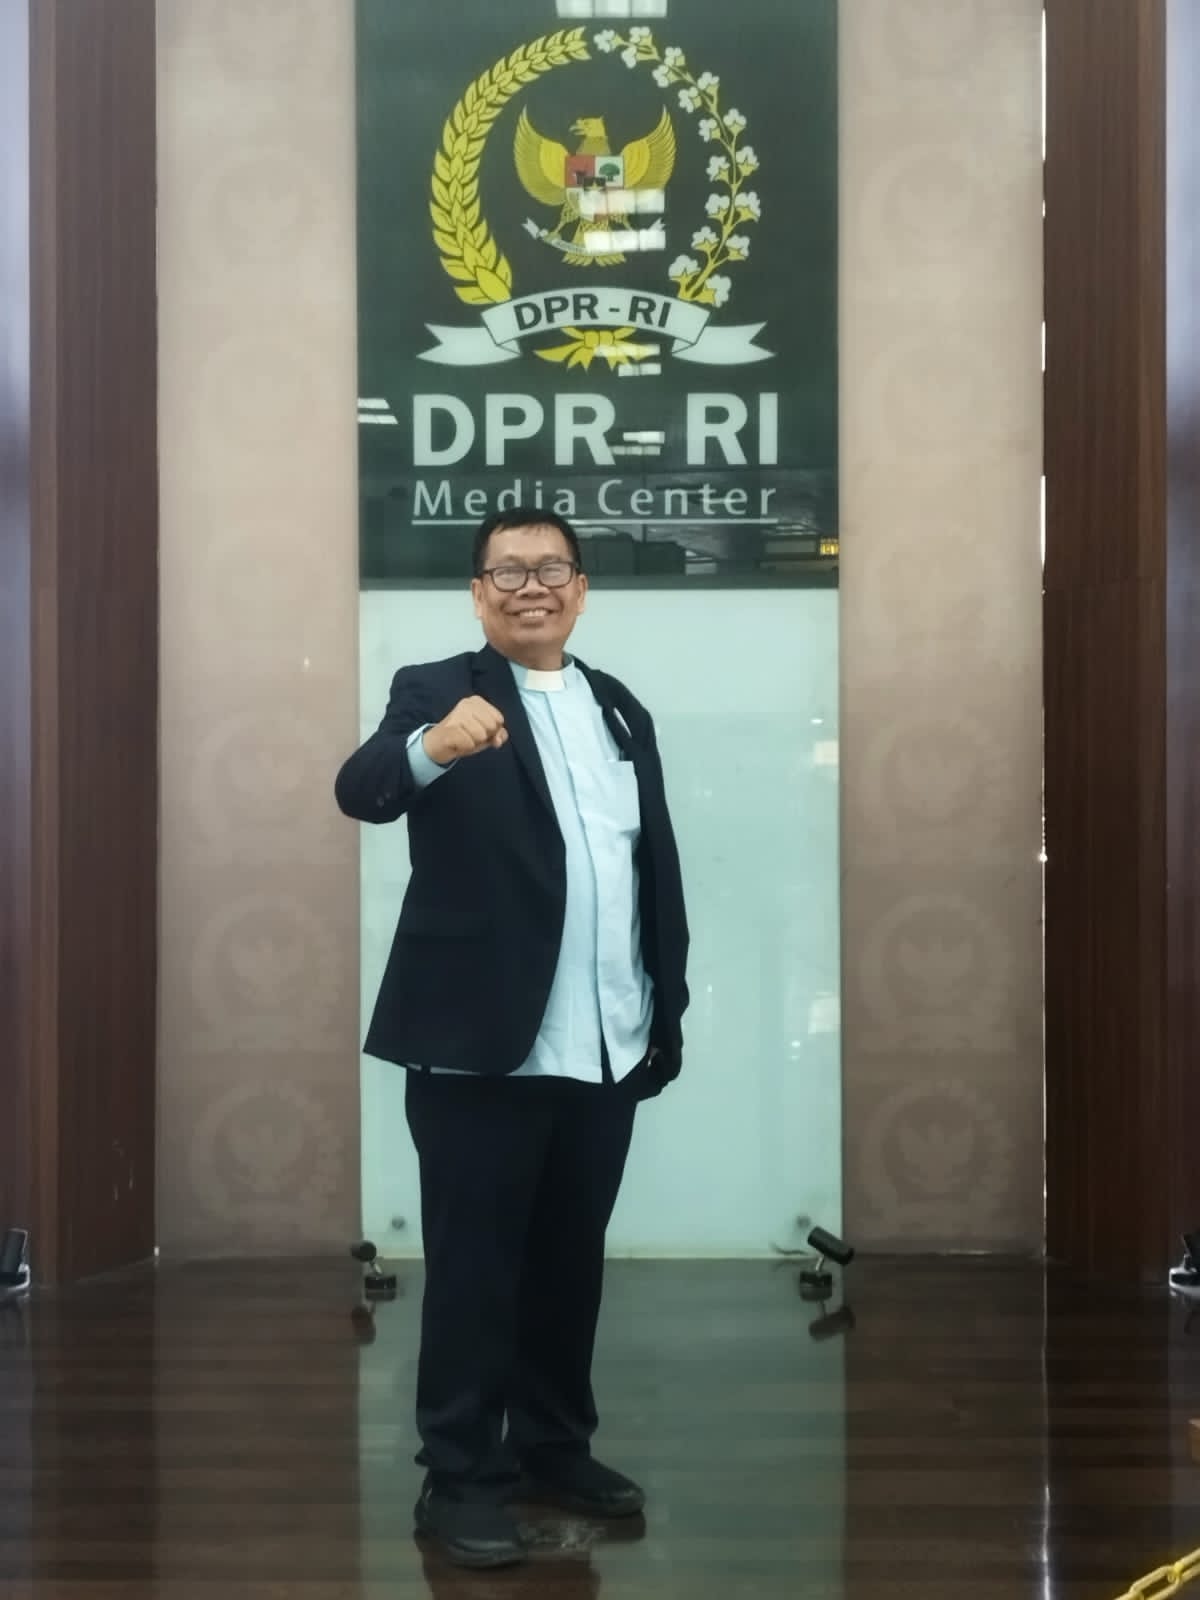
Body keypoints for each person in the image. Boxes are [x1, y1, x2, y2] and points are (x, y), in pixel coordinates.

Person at [334, 508, 690, 1570]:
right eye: (508, 571)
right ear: (477, 592)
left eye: (551, 568)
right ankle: (459, 1473)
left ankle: (552, 1446)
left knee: (567, 1265)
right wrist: (431, 749)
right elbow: (363, 789)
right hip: (478, 1043)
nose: (531, 585)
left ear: (581, 589)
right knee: (475, 1271)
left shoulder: (618, 705)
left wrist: (665, 1006)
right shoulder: (438, 688)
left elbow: (648, 864)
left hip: (605, 1039)